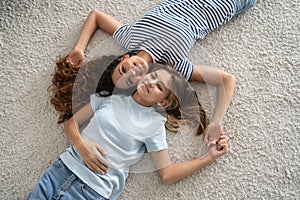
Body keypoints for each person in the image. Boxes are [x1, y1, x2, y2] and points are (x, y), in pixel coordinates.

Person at [53, 0, 257, 146]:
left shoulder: (130, 38)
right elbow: (227, 80)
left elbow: (96, 16)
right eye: (132, 80)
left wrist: (79, 48)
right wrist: (217, 121)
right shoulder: (173, 67)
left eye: (125, 69)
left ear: (122, 59)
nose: (133, 71)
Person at [29, 65, 230, 200]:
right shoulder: (107, 98)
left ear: (162, 101)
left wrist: (208, 157)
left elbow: (167, 174)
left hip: (93, 190)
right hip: (61, 169)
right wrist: (82, 147)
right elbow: (70, 125)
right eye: (151, 76)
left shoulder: (154, 124)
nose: (151, 83)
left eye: (159, 86)